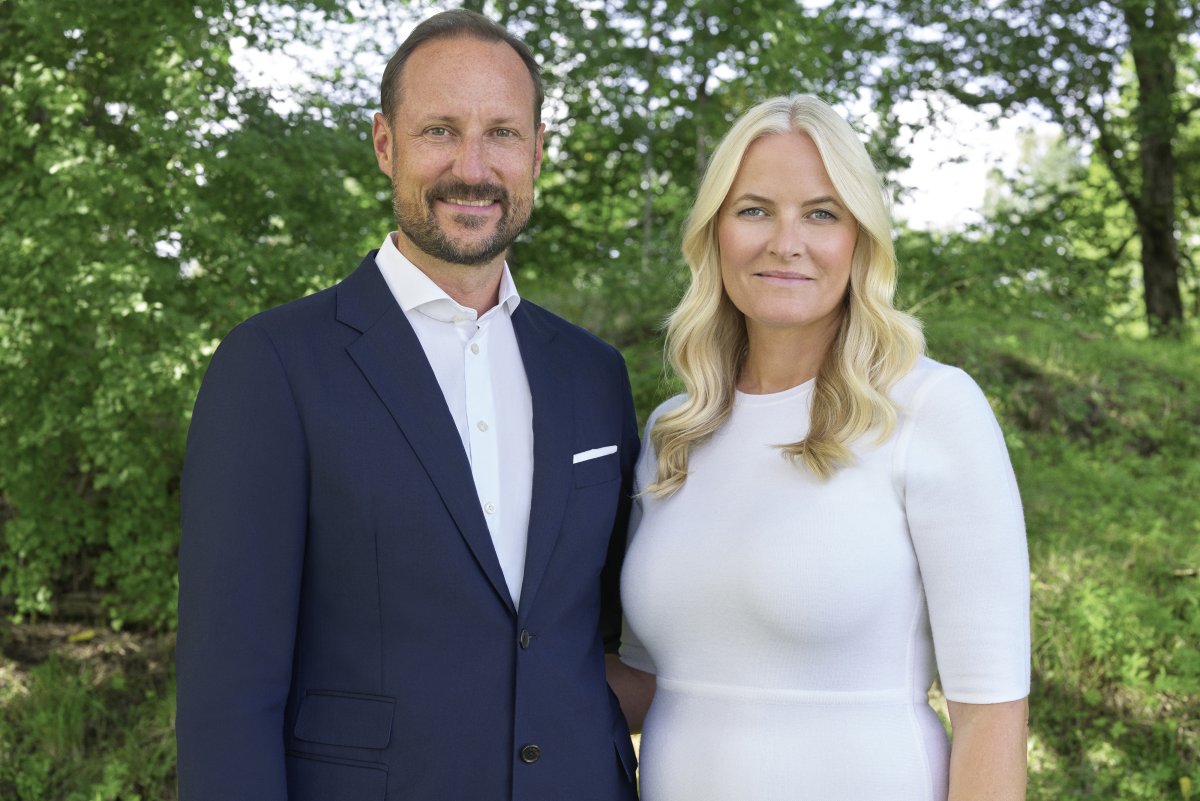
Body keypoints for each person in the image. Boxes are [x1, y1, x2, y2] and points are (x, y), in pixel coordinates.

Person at [176, 10, 640, 801]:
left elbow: (597, 638)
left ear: (536, 152)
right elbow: (228, 696)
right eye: (439, 131)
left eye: (501, 133)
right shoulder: (273, 366)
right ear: (386, 144)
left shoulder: (594, 374)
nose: (472, 166)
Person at [612, 95, 1030, 801]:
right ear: (715, 234)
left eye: (821, 213)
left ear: (860, 239)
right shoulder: (673, 432)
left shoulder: (931, 409)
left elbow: (991, 714)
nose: (785, 242)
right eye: (754, 210)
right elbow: (649, 682)